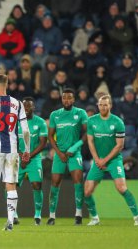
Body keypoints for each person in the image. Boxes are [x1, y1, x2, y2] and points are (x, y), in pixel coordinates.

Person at [0, 74, 30, 231]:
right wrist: (27, 150)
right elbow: (26, 131)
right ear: (7, 84)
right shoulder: (18, 103)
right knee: (10, 185)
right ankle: (9, 222)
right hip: (13, 150)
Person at [84, 95, 138, 226]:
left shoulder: (117, 122)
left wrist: (105, 160)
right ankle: (95, 218)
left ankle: (137, 217)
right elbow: (90, 141)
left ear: (110, 105)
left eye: (106, 105)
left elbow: (119, 146)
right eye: (101, 104)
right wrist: (97, 160)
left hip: (114, 160)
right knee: (87, 191)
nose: (103, 107)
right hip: (98, 160)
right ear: (98, 105)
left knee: (122, 188)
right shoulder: (92, 121)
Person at [47, 88, 88, 226]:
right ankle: (52, 216)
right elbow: (50, 136)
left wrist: (74, 148)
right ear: (61, 99)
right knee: (55, 184)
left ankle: (78, 215)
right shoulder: (55, 115)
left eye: (69, 98)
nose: (67, 100)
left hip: (74, 153)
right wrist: (58, 153)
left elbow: (87, 133)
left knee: (78, 181)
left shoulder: (80, 113)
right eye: (64, 98)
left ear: (74, 99)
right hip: (60, 154)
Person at [14, 97, 47, 225]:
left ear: (34, 108)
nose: (26, 109)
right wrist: (21, 155)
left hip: (34, 158)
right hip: (17, 157)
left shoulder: (40, 122)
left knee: (36, 185)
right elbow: (12, 141)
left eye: (29, 106)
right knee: (12, 185)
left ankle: (38, 215)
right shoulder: (15, 122)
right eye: (24, 106)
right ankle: (14, 214)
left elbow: (43, 143)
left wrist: (28, 156)